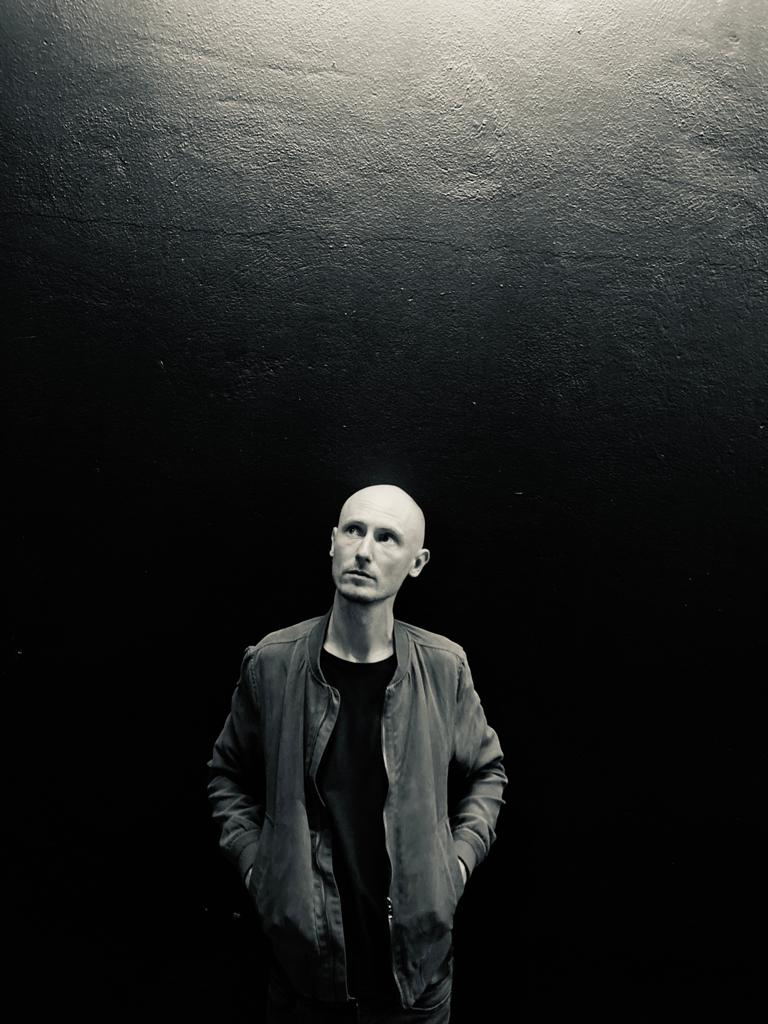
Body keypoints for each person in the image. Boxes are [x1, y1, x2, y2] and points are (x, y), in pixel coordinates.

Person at [207, 484, 506, 1022]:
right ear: (332, 542)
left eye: (387, 538)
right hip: (304, 978)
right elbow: (227, 775)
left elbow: (487, 771)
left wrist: (455, 866)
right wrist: (259, 870)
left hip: (416, 980)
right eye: (354, 530)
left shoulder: (444, 667)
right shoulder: (272, 663)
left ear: (417, 563)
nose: (364, 550)